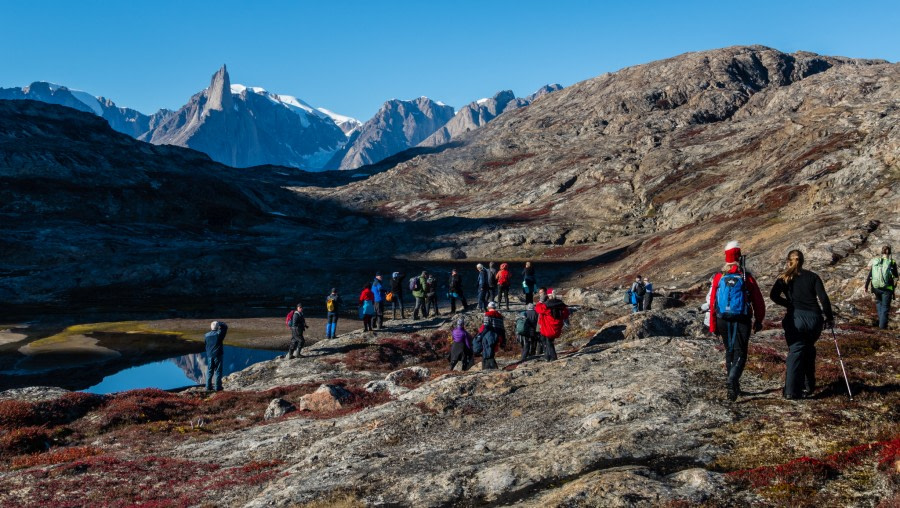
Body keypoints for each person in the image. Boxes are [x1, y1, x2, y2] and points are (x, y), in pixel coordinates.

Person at [770, 250, 834, 399]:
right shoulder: (813, 277)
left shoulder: (784, 278)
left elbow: (773, 296)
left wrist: (788, 304)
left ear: (788, 261)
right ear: (803, 261)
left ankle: (791, 391)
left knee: (796, 350)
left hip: (796, 318)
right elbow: (824, 299)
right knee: (808, 348)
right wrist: (829, 317)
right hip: (815, 318)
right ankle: (808, 385)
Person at [709, 241, 766, 402]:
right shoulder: (746, 277)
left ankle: (733, 387)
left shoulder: (719, 277)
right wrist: (759, 319)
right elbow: (758, 301)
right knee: (741, 352)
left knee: (729, 351)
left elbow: (713, 303)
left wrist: (713, 325)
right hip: (742, 318)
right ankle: (733, 380)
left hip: (722, 319)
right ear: (739, 257)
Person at [864, 245, 897, 330]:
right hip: (887, 289)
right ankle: (882, 328)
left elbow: (870, 274)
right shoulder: (892, 262)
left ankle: (881, 322)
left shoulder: (876, 261)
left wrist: (866, 286)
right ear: (889, 252)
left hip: (876, 287)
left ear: (882, 252)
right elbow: (896, 275)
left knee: (879, 303)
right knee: (885, 308)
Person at [535, 291, 569, 361]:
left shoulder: (546, 306)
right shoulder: (561, 305)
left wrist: (540, 301)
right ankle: (548, 356)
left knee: (548, 342)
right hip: (557, 327)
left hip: (548, 327)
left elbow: (538, 309)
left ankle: (552, 357)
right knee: (549, 341)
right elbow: (566, 313)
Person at [478, 302, 506, 369]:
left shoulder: (488, 314)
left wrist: (480, 336)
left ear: (488, 307)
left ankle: (487, 368)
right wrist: (503, 340)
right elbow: (502, 329)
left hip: (488, 336)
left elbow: (486, 326)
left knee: (487, 353)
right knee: (491, 352)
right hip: (497, 336)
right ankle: (490, 368)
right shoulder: (500, 316)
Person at [204, 320, 228, 391]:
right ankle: (217, 387)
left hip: (209, 355)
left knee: (209, 370)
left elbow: (206, 344)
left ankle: (208, 387)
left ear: (211, 327)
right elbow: (225, 327)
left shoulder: (206, 335)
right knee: (218, 370)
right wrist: (220, 323)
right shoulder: (218, 334)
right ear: (217, 327)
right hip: (218, 355)